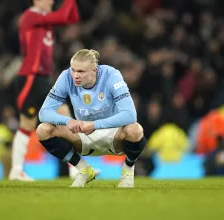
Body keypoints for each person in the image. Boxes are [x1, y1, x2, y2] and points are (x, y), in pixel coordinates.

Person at [37, 49, 146, 188]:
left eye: (81, 71)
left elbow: (130, 114)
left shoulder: (111, 75)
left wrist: (95, 124)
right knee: (43, 130)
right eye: (73, 70)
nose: (75, 75)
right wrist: (68, 121)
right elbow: (44, 113)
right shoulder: (66, 77)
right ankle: (83, 169)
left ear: (94, 70)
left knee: (135, 130)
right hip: (82, 136)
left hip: (114, 135)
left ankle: (128, 170)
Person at [9, 0, 80, 181]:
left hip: (44, 79)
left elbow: (71, 17)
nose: (51, 1)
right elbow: (62, 16)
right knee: (27, 124)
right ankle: (16, 170)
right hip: (31, 78)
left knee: (65, 118)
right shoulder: (30, 16)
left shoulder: (44, 21)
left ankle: (75, 169)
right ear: (36, 0)